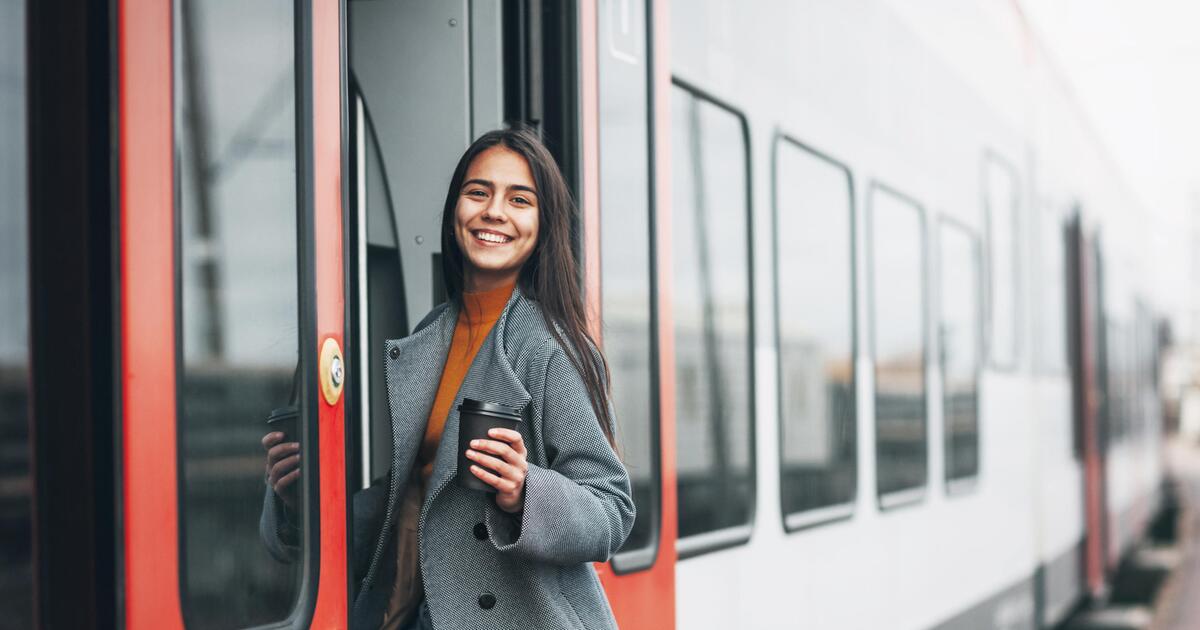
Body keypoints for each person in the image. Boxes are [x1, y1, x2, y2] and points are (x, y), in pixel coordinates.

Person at [260, 127, 636, 630]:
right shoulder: (432, 331)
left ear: (542, 225)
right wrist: (301, 502)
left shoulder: (550, 346)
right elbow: (415, 495)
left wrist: (525, 491)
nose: (494, 211)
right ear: (455, 208)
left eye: (519, 200)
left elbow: (612, 509)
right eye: (478, 192)